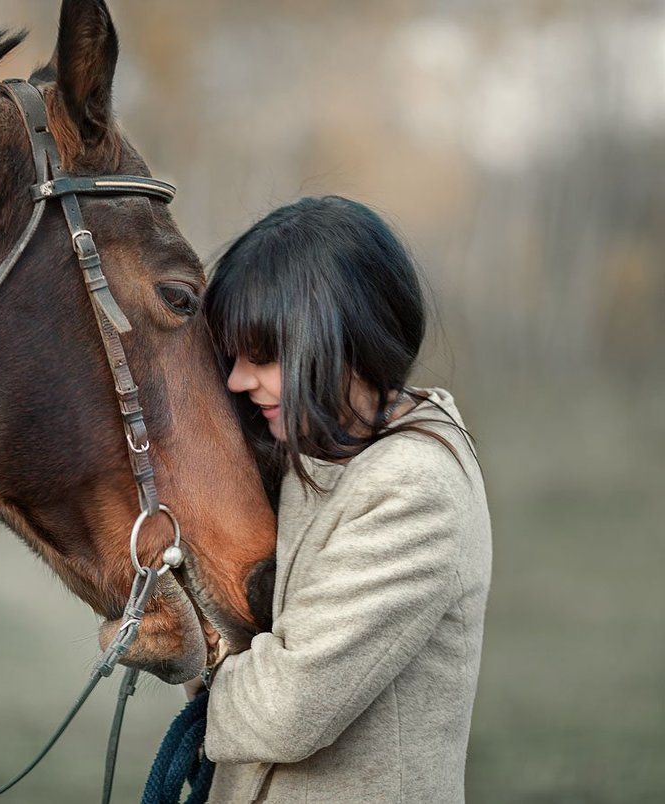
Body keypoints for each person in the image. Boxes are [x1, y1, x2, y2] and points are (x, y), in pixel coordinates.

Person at [193, 195, 492, 802]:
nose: (237, 381)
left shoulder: (413, 487)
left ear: (342, 340)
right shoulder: (318, 449)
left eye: (264, 356)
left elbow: (287, 710)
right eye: (233, 356)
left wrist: (191, 650)